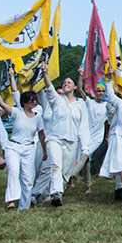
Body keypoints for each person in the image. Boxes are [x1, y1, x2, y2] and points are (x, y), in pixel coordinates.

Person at [37, 61, 90, 207]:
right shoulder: (56, 100)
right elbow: (49, 87)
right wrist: (45, 73)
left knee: (66, 172)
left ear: (74, 87)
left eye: (69, 82)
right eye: (64, 82)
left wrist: (85, 147)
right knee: (56, 165)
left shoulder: (80, 104)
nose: (66, 84)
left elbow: (83, 126)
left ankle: (49, 194)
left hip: (72, 142)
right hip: (55, 139)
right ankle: (56, 194)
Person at [0, 82, 47, 211]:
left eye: (34, 101)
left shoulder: (38, 118)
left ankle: (24, 207)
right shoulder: (16, 112)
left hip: (29, 148)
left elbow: (42, 136)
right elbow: (2, 104)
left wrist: (45, 151)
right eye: (30, 100)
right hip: (14, 146)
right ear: (24, 102)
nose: (33, 103)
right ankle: (12, 199)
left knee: (28, 179)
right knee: (14, 171)